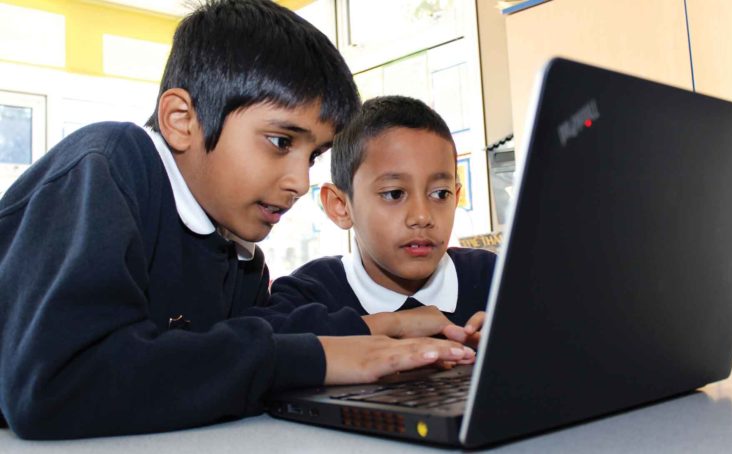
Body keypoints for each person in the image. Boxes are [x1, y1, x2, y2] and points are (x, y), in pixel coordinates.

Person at [0, 1, 473, 440]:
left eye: (313, 156)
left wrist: (375, 329)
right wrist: (316, 357)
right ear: (182, 120)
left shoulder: (238, 252)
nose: (296, 180)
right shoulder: (108, 167)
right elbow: (58, 384)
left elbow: (241, 340)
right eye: (281, 142)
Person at [267, 96, 497, 350]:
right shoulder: (309, 294)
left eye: (440, 194)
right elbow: (254, 350)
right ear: (340, 206)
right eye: (394, 194)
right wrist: (389, 324)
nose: (422, 216)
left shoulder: (496, 279)